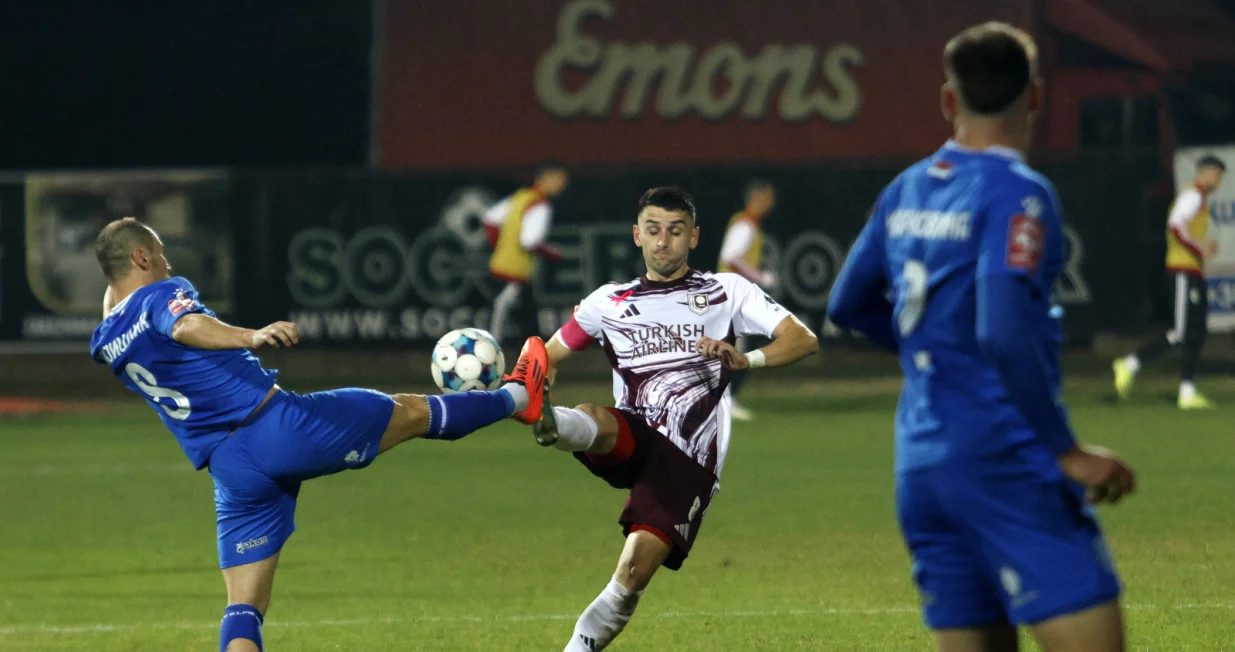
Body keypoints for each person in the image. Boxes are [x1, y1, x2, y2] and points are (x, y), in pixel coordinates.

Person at [88, 218, 549, 652]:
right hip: (279, 428)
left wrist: (116, 269)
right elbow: (186, 324)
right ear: (141, 257)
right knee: (409, 412)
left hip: (230, 468)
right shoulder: (162, 296)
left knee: (244, 605)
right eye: (160, 253)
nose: (169, 263)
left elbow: (119, 297)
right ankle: (516, 397)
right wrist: (251, 336)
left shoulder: (107, 340)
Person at [827, 23, 1136, 652]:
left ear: (950, 99)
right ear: (1034, 96)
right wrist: (1065, 451)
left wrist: (934, 350)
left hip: (922, 467)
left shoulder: (905, 190)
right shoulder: (1019, 194)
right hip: (1005, 460)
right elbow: (1002, 330)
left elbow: (845, 305)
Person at [530, 187, 819, 651]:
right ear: (637, 235)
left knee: (632, 573)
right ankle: (551, 426)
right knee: (592, 417)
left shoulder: (727, 291)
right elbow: (547, 354)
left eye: (675, 231)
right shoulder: (608, 301)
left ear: (694, 237)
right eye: (653, 230)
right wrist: (533, 379)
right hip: (635, 432)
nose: (663, 241)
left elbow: (802, 338)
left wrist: (748, 360)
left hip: (688, 460)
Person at [1113, 155, 1227, 408]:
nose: (1219, 181)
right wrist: (1199, 249)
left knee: (1196, 332)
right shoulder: (1192, 196)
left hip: (1193, 272)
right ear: (1207, 172)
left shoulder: (1199, 198)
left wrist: (1201, 249)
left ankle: (1187, 392)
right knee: (1180, 332)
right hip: (1181, 272)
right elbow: (1175, 225)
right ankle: (1129, 364)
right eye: (1218, 175)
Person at [485, 164, 569, 342]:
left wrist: (500, 247)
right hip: (515, 270)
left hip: (501, 265)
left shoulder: (520, 197)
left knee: (512, 315)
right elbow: (529, 241)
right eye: (559, 180)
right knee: (512, 317)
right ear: (546, 178)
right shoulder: (540, 205)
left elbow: (490, 220)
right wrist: (553, 254)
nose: (562, 185)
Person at [716, 180, 778, 421]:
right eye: (768, 197)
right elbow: (731, 257)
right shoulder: (745, 225)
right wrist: (760, 277)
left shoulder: (747, 224)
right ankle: (726, 401)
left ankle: (726, 400)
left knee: (740, 347)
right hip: (732, 295)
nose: (771, 203)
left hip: (733, 295)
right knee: (738, 349)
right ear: (757, 198)